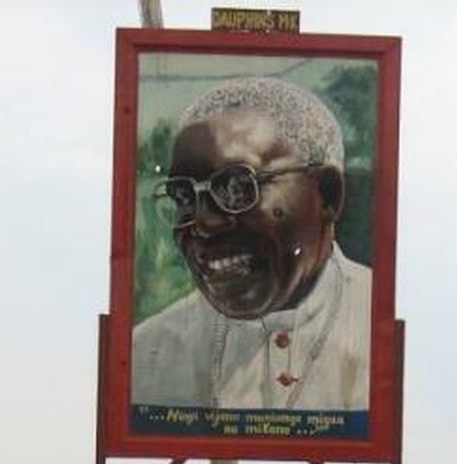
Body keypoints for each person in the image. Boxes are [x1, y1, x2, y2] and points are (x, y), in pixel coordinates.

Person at [132, 77, 372, 415]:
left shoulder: (376, 330)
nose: (204, 223)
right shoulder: (146, 355)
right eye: (184, 197)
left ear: (327, 195)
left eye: (236, 188)